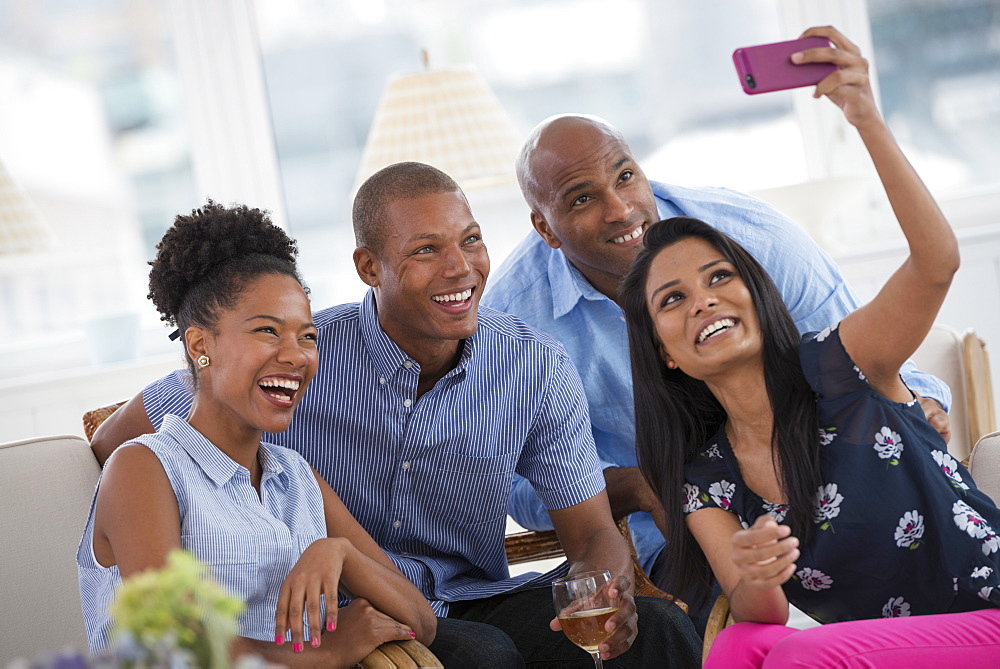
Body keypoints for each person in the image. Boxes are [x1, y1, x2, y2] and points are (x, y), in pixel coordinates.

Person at [89, 165, 701, 667]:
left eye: (470, 239)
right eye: (426, 250)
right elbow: (124, 438)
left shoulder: (532, 363)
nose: (460, 267)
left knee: (660, 632)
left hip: (472, 596)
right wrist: (149, 519)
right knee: (482, 657)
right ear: (369, 267)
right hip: (355, 617)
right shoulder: (295, 357)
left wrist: (604, 596)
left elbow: (590, 533)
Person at [483, 67, 951, 630]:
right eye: (583, 198)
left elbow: (888, 337)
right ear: (664, 353)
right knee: (722, 632)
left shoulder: (752, 236)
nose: (621, 208)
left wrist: (914, 409)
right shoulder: (511, 326)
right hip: (681, 528)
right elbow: (515, 485)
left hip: (832, 477)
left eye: (626, 176)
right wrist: (642, 485)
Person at [620, 26, 1000, 667]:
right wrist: (757, 573)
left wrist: (865, 118)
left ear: (757, 297)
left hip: (985, 617)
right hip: (882, 650)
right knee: (741, 642)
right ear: (666, 354)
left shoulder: (842, 365)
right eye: (673, 299)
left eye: (719, 278)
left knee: (803, 658)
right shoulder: (704, 477)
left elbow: (936, 263)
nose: (705, 300)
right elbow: (756, 612)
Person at [77, 201, 436, 667]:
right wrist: (323, 652)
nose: (296, 356)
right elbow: (174, 648)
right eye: (268, 331)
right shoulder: (144, 469)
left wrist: (341, 554)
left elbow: (421, 621)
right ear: (200, 345)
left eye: (307, 336)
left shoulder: (294, 476)